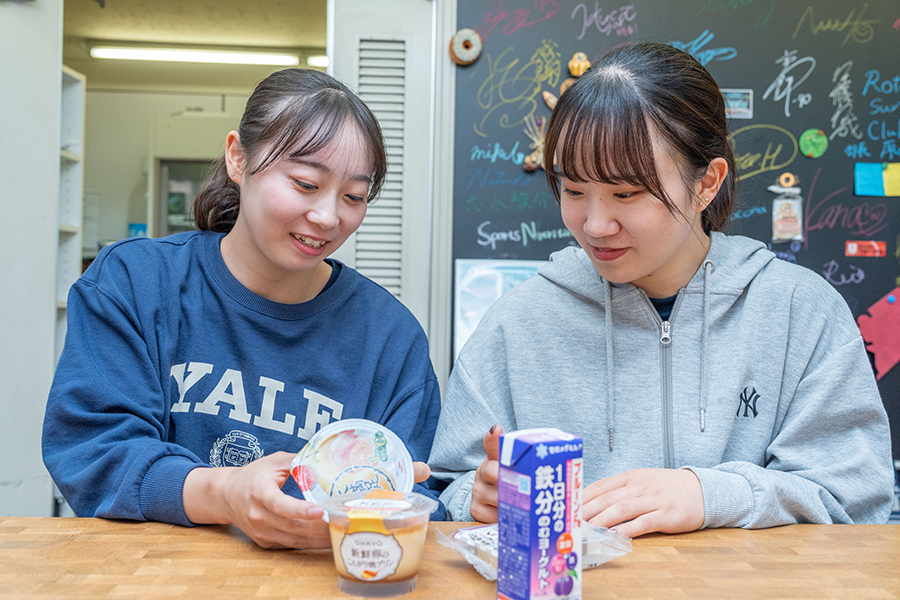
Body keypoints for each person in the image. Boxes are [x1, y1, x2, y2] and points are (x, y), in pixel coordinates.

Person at [428, 42, 894, 536]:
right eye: (573, 191)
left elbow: (855, 501)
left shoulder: (803, 313)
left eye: (626, 193)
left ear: (707, 183)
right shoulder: (517, 322)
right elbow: (448, 487)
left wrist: (709, 495)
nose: (595, 223)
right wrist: (476, 499)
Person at [43, 68, 445, 549]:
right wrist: (223, 493)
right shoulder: (135, 283)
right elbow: (92, 453)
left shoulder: (389, 339)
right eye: (304, 183)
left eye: (354, 197)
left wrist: (397, 497)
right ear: (237, 157)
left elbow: (421, 493)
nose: (328, 217)